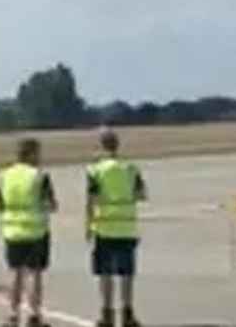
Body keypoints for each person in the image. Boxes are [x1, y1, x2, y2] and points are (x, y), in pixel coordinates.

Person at [85, 128, 147, 327]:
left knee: (105, 273)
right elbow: (141, 194)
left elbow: (91, 199)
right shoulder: (130, 169)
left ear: (102, 146)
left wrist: (88, 225)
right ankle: (128, 312)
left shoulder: (95, 170)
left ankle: (107, 313)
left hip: (104, 226)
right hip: (126, 226)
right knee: (126, 273)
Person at [0, 138, 56, 327]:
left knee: (15, 274)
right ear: (31, 154)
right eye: (37, 153)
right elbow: (50, 204)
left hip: (12, 231)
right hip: (35, 231)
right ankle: (34, 315)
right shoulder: (39, 176)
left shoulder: (3, 176)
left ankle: (12, 315)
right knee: (34, 275)